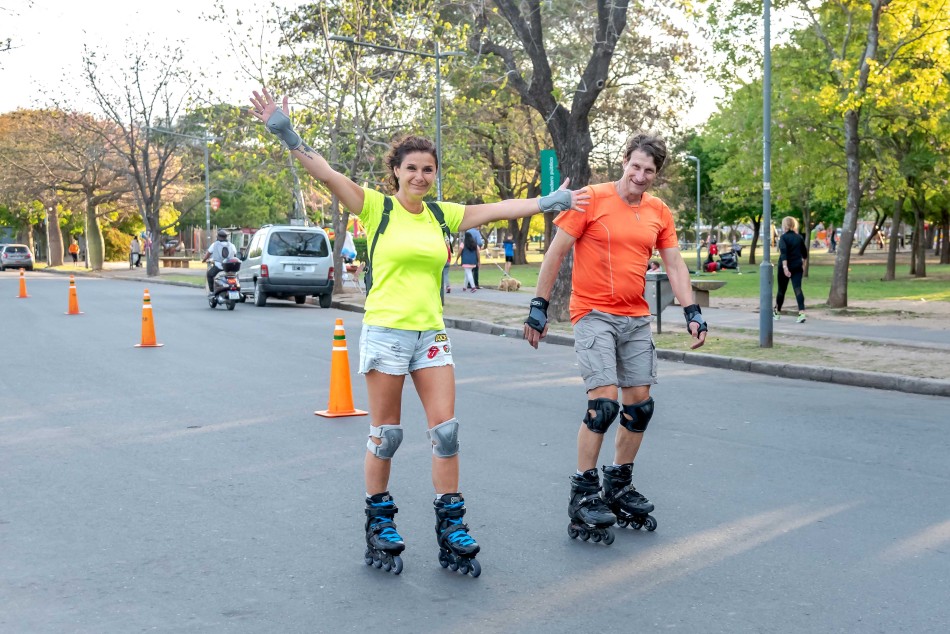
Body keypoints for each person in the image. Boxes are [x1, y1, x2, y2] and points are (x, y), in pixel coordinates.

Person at [249, 87, 589, 575]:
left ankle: (451, 525)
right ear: (396, 172)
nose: (420, 176)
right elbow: (325, 171)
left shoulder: (441, 214)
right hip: (386, 332)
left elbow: (497, 209)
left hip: (430, 334)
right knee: (386, 435)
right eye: (411, 168)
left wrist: (549, 200)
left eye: (428, 169)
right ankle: (379, 521)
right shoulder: (374, 208)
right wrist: (286, 132)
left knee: (446, 432)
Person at [523, 132, 707, 543]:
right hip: (592, 313)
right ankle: (584, 491)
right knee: (603, 405)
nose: (640, 175)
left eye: (649, 171)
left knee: (640, 407)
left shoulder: (659, 211)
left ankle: (618, 483)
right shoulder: (590, 198)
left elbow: (674, 264)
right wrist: (538, 305)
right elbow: (555, 252)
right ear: (624, 161)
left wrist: (691, 311)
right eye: (635, 166)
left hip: (635, 317)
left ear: (656, 175)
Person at [774, 216, 808, 323]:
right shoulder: (799, 238)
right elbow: (805, 254)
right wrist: (803, 266)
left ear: (785, 225)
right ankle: (801, 313)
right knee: (798, 289)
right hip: (797, 266)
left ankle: (777, 312)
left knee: (781, 290)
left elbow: (784, 253)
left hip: (785, 267)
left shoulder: (783, 238)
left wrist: (785, 267)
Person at [202, 229, 240, 295]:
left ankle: (211, 291)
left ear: (218, 237)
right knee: (236, 276)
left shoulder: (214, 245)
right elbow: (235, 255)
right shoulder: (232, 245)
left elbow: (208, 254)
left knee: (209, 275)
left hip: (219, 267)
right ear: (226, 237)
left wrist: (204, 260)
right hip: (230, 267)